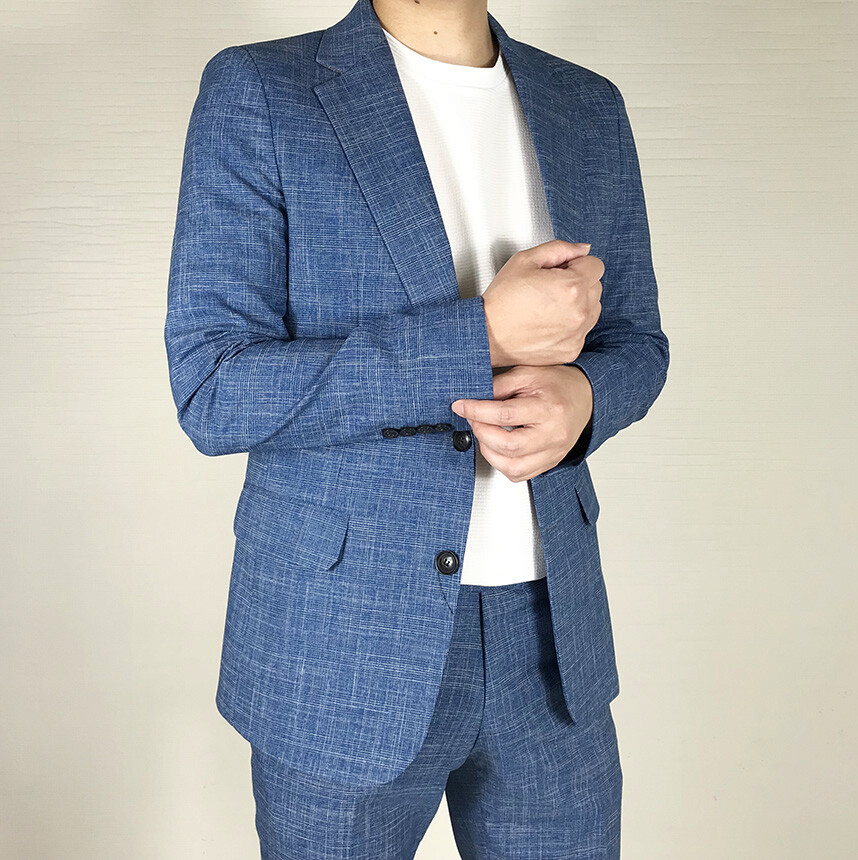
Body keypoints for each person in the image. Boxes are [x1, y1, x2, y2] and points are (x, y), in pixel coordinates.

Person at [164, 0, 669, 856]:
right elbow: (215, 388)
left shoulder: (587, 104)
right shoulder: (261, 89)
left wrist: (585, 398)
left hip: (554, 643)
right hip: (338, 643)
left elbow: (638, 343)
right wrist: (478, 338)